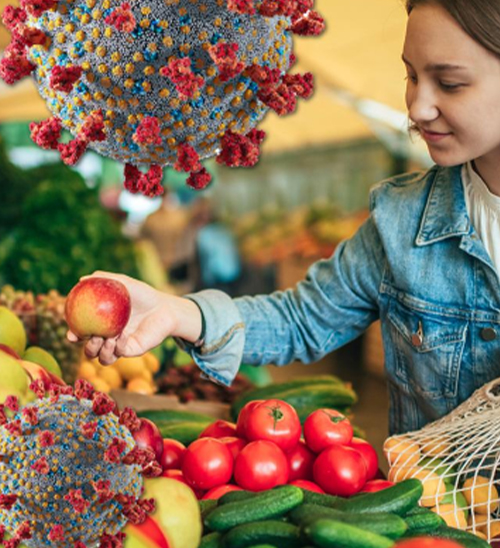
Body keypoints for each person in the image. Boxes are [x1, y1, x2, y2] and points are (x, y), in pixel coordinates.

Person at [68, 0, 500, 435]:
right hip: (436, 503)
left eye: (449, 83)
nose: (418, 106)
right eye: (411, 76)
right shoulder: (401, 221)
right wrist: (177, 313)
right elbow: (301, 318)